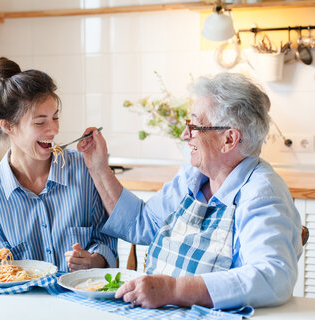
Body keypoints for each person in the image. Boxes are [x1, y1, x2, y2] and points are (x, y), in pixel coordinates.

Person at [78, 73, 302, 309]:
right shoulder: (193, 176)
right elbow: (140, 223)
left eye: (194, 125)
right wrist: (98, 168)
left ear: (229, 139)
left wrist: (173, 290)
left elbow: (273, 277)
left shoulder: (262, 192)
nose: (186, 134)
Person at [0, 57, 117, 272]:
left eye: (55, 118)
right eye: (40, 122)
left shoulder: (83, 170)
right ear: (8, 126)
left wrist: (93, 260)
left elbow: (106, 240)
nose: (53, 130)